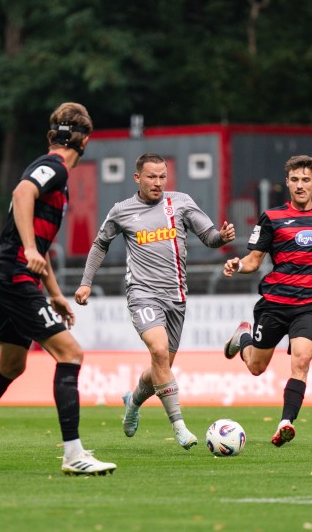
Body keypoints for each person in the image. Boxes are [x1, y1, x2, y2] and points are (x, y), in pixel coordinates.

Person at [0, 102, 116, 476]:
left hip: (14, 273)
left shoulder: (54, 173)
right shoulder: (52, 167)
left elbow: (38, 239)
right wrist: (30, 250)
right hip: (14, 273)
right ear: (85, 141)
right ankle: (73, 454)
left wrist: (54, 291)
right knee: (70, 354)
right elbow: (23, 194)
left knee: (12, 363)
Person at [75, 152, 235, 450]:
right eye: (151, 177)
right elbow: (100, 244)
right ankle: (179, 426)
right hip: (142, 295)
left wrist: (222, 237)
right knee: (159, 352)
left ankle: (133, 401)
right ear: (137, 178)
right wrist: (86, 283)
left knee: (161, 366)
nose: (158, 182)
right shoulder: (122, 211)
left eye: (162, 176)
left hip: (176, 297)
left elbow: (209, 236)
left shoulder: (182, 202)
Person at [221, 154, 312, 447]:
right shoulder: (272, 218)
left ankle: (285, 422)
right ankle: (243, 339)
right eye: (295, 180)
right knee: (256, 367)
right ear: (287, 183)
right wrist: (237, 265)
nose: (300, 185)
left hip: (311, 303)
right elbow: (254, 261)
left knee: (301, 360)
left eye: (306, 180)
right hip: (275, 302)